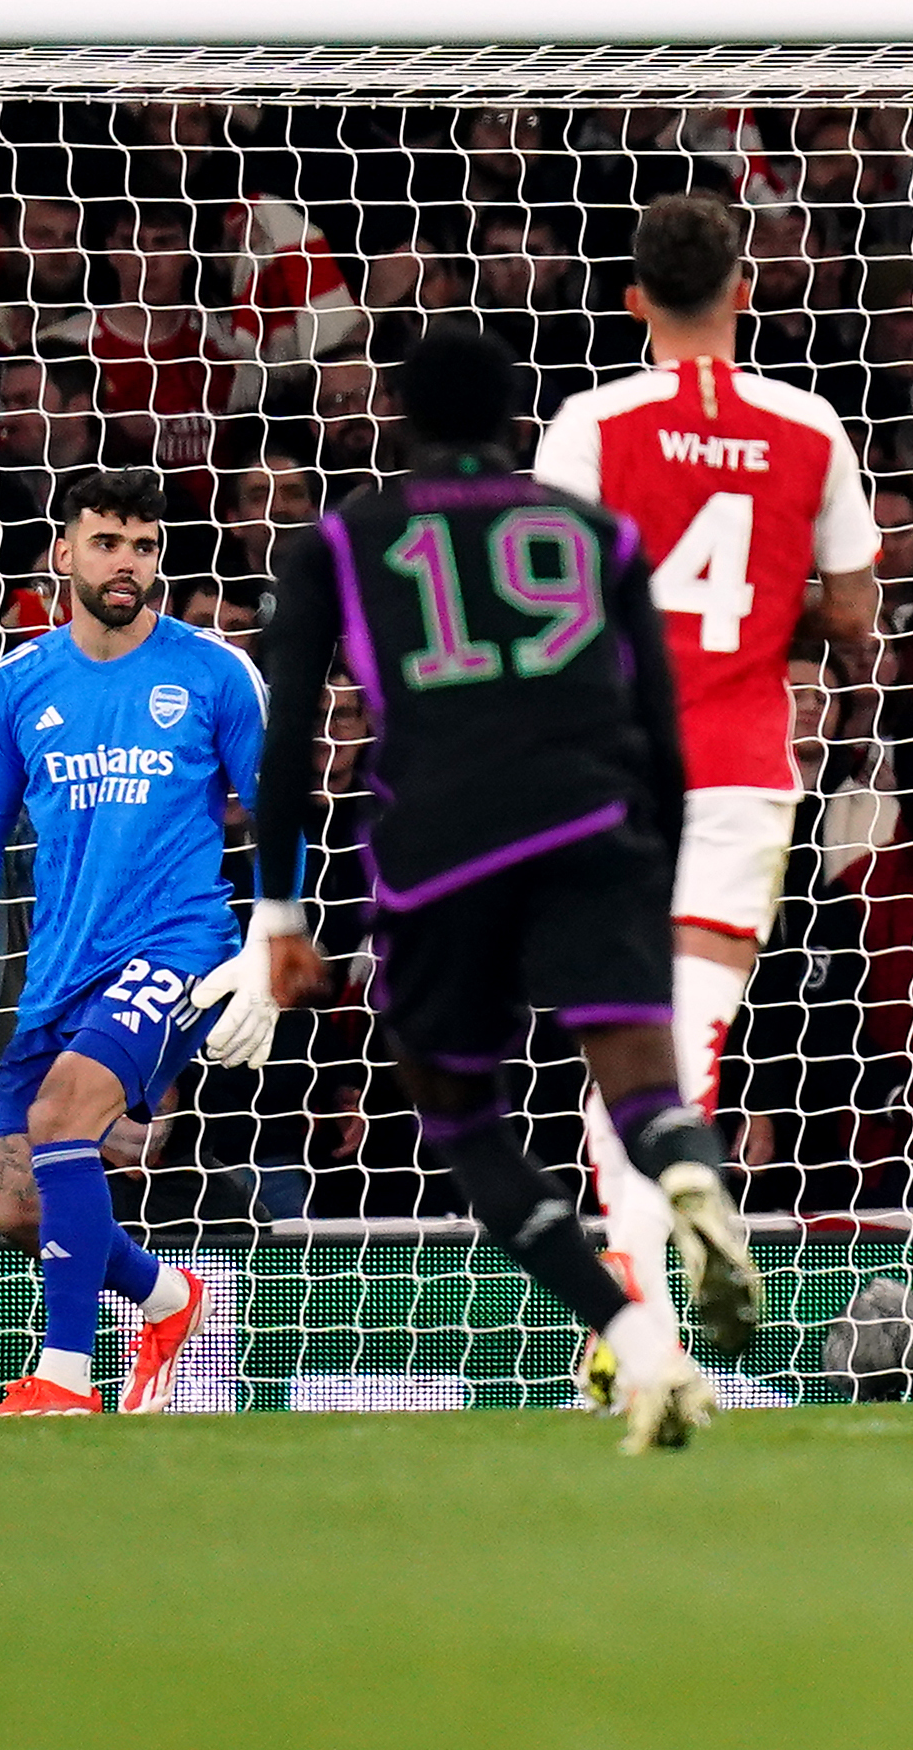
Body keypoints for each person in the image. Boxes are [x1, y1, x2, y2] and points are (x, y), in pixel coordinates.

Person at [245, 335, 765, 1455]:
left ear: (400, 417)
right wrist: (654, 872)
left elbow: (286, 739)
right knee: (645, 1095)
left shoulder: (342, 537)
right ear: (517, 421)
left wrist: (281, 911)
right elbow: (662, 728)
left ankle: (638, 1343)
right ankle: (689, 1174)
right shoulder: (598, 532)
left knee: (467, 1123)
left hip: (442, 851)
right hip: (595, 831)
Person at [528, 189, 874, 1372]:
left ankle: (641, 1320)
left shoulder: (592, 423)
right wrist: (773, 613)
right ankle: (667, 1258)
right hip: (740, 769)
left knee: (621, 1053)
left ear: (634, 300)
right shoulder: (810, 426)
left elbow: (548, 600)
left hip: (611, 767)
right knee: (688, 1036)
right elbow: (857, 618)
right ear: (745, 290)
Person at [0, 466, 277, 1418]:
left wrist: (269, 951)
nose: (129, 564)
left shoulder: (216, 674)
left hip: (180, 945)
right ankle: (167, 1298)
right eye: (108, 543)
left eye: (145, 547)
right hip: (60, 967)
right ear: (63, 553)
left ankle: (64, 1380)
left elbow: (280, 814)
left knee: (67, 1116)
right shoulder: (18, 683)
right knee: (19, 1207)